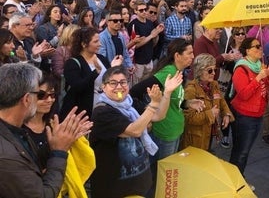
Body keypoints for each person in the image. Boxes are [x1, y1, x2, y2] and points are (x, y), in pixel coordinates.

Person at [0, 62, 91, 197]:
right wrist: (59, 152)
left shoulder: (14, 132)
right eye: (39, 94)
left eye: (53, 95)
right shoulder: (7, 157)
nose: (49, 100)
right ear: (26, 99)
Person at [90, 66, 183, 198]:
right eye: (113, 83)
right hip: (114, 189)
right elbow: (135, 130)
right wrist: (153, 105)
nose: (119, 87)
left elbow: (158, 116)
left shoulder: (130, 104)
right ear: (103, 87)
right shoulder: (101, 112)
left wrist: (167, 93)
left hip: (140, 185)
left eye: (123, 82)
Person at [229, 37, 269, 178]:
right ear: (247, 50)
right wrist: (258, 78)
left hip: (258, 114)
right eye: (256, 46)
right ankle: (235, 181)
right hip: (245, 116)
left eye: (260, 46)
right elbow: (243, 94)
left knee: (246, 150)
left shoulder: (260, 65)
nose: (260, 49)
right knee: (241, 151)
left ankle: (238, 178)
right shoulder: (241, 68)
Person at [60, 27, 120, 119]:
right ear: (84, 44)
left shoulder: (101, 58)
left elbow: (110, 82)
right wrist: (95, 73)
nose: (99, 44)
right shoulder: (72, 63)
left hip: (104, 109)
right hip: (82, 114)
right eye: (95, 42)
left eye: (99, 41)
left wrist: (113, 68)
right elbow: (78, 87)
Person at [182, 54, 234, 150]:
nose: (214, 73)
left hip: (210, 132)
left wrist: (226, 113)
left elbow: (221, 100)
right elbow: (189, 118)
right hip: (196, 138)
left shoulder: (214, 84)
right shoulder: (191, 90)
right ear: (200, 71)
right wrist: (210, 113)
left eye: (215, 70)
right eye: (210, 70)